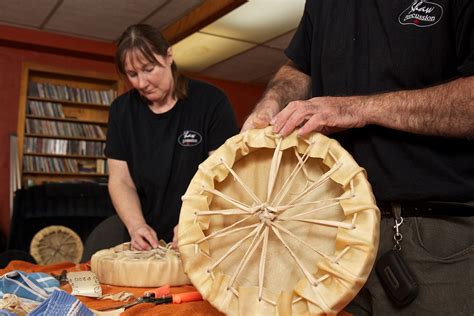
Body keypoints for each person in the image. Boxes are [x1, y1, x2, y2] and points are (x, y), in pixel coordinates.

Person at [242, 1, 473, 315]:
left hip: (432, 233)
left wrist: (355, 109)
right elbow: (299, 68)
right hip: (332, 230)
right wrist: (271, 103)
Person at [88, 24, 238, 254]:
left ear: (169, 56)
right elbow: (121, 181)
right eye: (132, 74)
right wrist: (136, 225)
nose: (141, 83)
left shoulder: (211, 101)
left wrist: (193, 221)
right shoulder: (121, 111)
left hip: (204, 228)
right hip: (147, 232)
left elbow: (224, 177)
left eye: (148, 69)